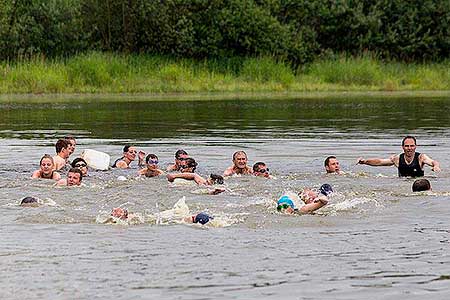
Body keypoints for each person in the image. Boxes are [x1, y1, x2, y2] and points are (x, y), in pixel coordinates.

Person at [357, 136, 441, 177]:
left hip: (417, 185)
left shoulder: (421, 157)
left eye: (412, 146)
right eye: (407, 146)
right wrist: (365, 161)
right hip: (402, 183)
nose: (409, 148)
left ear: (415, 146)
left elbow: (433, 162)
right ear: (403, 147)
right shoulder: (397, 159)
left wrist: (436, 166)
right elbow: (379, 162)